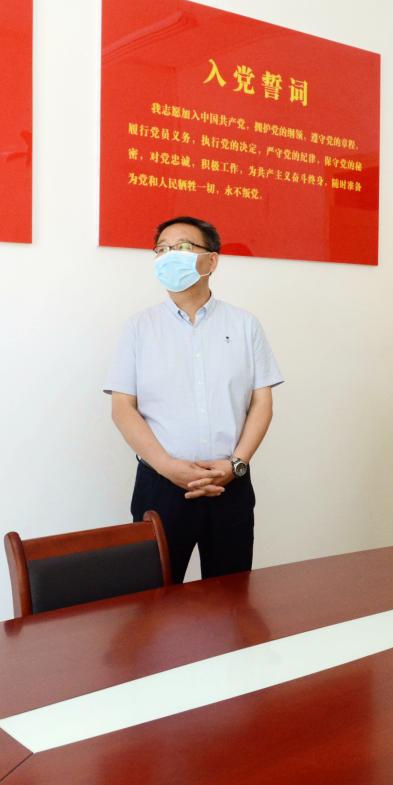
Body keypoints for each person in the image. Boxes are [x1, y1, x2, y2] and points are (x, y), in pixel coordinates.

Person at [105, 216, 282, 583]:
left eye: (182, 247)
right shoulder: (138, 328)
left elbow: (261, 402)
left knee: (231, 597)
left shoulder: (244, 325)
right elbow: (122, 409)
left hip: (229, 483)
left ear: (211, 260)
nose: (170, 255)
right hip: (160, 486)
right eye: (162, 249)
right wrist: (169, 467)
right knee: (155, 599)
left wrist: (236, 465)